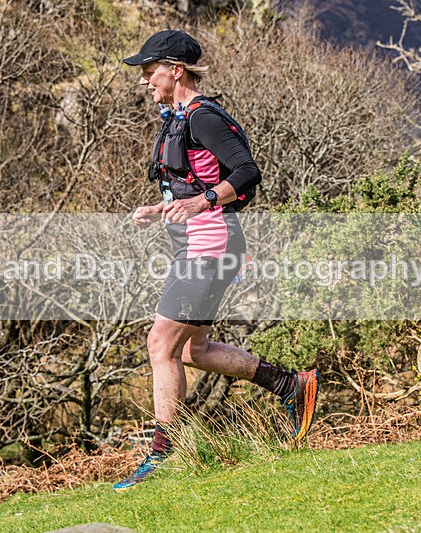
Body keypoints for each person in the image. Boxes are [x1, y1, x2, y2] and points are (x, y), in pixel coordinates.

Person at [114, 29, 319, 492]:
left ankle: (162, 454)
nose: (145, 81)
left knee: (160, 345)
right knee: (193, 351)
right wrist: (163, 207)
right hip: (197, 243)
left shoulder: (203, 117)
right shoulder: (177, 117)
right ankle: (292, 385)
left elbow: (247, 172)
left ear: (176, 70)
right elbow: (189, 183)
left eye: (150, 72)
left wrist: (200, 202)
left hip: (212, 244)